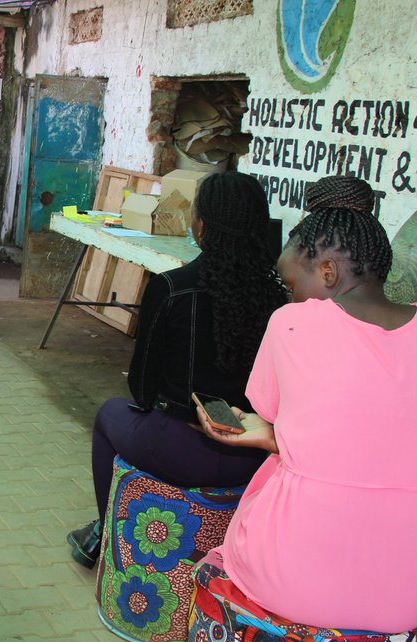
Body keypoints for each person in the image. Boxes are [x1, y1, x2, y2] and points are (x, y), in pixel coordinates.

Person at [196, 175, 417, 633]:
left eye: (290, 282)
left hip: (292, 581)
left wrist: (276, 438)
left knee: (268, 492)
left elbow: (274, 410)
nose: (288, 294)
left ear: (328, 273)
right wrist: (284, 440)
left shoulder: (295, 323)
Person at [68, 171, 288, 567]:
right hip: (255, 456)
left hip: (178, 448)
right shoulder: (281, 301)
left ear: (199, 225)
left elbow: (142, 387)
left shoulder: (171, 286)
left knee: (108, 415)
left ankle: (104, 532)